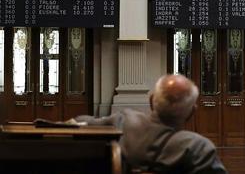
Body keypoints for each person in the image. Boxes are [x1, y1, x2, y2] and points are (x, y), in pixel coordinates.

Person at [74, 74, 227, 174]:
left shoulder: (123, 121)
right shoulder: (199, 149)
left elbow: (78, 122)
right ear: (192, 112)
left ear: (151, 100)